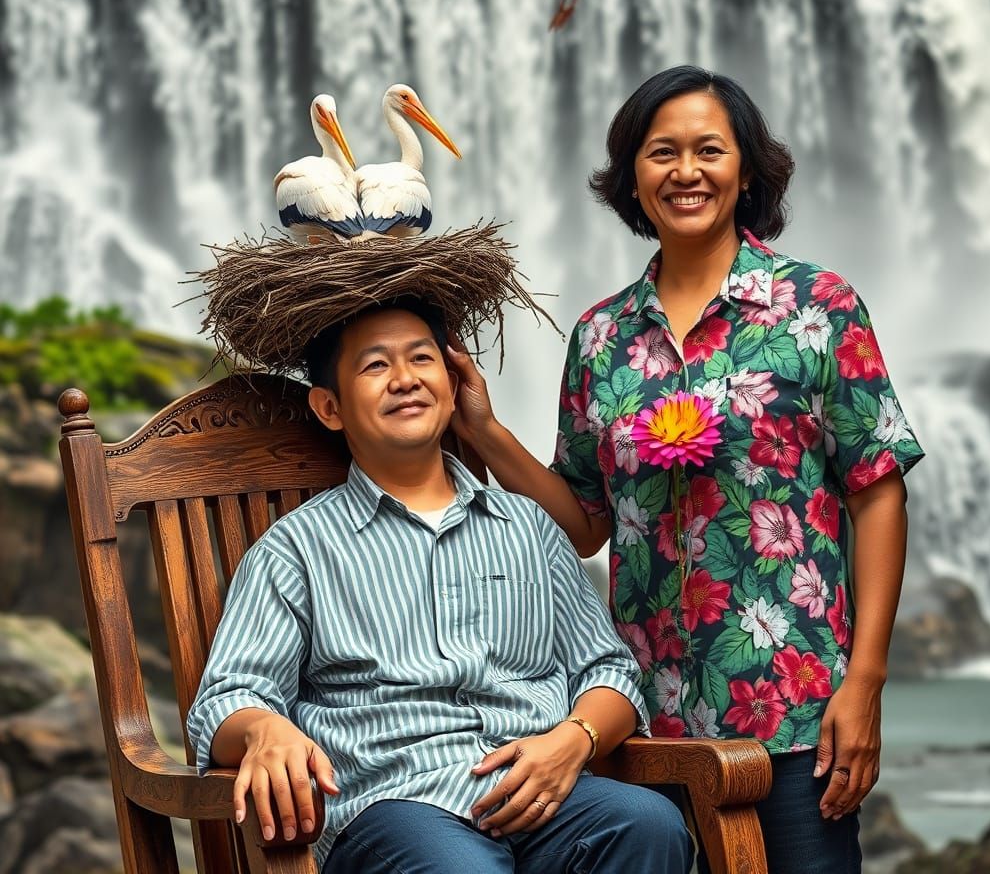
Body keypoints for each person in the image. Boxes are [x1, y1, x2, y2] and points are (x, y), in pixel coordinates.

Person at [446, 65, 925, 873]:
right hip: (644, 725)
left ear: (745, 171)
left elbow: (877, 491)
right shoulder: (601, 338)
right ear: (633, 175)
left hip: (795, 706)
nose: (686, 171)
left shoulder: (817, 307)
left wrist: (866, 681)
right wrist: (486, 432)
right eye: (661, 152)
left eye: (709, 150)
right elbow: (588, 524)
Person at [186, 296, 692, 874]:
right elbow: (227, 698)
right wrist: (263, 728)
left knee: (648, 824)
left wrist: (575, 738)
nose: (404, 379)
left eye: (421, 359)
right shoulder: (295, 550)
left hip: (541, 791)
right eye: (376, 366)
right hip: (397, 806)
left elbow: (610, 670)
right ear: (330, 407)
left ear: (451, 387)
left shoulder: (528, 527)